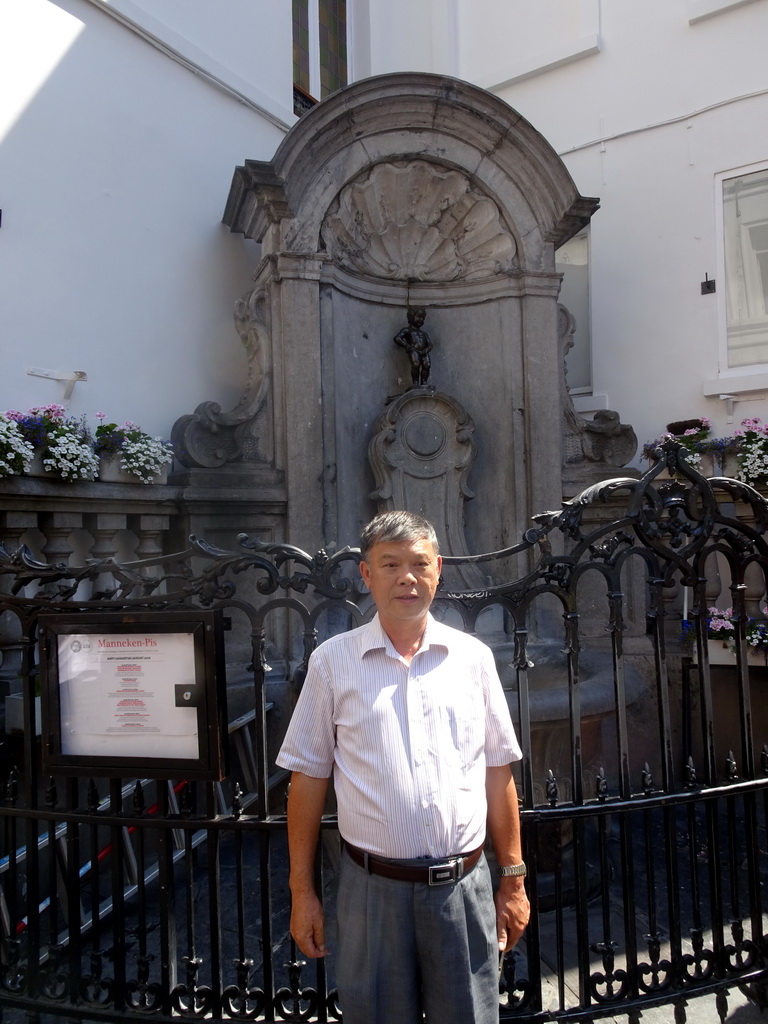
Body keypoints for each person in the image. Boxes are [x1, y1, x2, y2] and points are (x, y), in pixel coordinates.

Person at [276, 510, 530, 1024]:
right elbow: (306, 780)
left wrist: (514, 878)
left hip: (463, 888)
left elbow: (497, 770)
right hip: (371, 893)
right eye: (390, 564)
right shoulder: (331, 662)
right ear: (366, 575)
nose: (406, 577)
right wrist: (301, 892)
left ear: (439, 568)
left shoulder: (473, 659)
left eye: (418, 563)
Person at [394, 306, 433, 387]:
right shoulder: (407, 330)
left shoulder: (424, 333)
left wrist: (427, 349)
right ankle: (415, 382)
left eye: (423, 318)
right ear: (411, 317)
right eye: (418, 317)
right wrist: (407, 346)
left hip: (424, 351)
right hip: (414, 350)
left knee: (427, 365)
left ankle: (424, 382)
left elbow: (430, 344)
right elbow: (397, 338)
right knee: (416, 364)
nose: (421, 320)